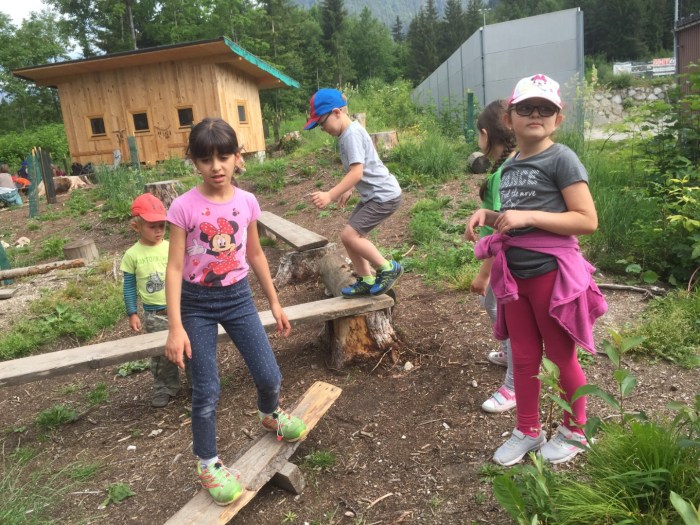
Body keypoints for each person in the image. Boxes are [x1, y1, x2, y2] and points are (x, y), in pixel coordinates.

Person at [465, 74, 608, 466]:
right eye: (525, 107)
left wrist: (527, 214)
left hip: (550, 274)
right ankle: (527, 429)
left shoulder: (561, 158)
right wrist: (488, 215)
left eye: (545, 108)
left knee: (562, 357)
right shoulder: (510, 164)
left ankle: (575, 431)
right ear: (509, 118)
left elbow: (586, 219)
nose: (535, 114)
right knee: (524, 357)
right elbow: (516, 221)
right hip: (516, 277)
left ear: (557, 119)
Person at [164, 117, 307, 506]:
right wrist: (175, 327)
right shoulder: (182, 207)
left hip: (239, 297)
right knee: (207, 389)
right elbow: (174, 267)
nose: (217, 167)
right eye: (206, 159)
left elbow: (255, 253)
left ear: (237, 157)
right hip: (196, 304)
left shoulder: (246, 202)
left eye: (224, 157)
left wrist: (275, 302)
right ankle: (208, 464)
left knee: (269, 373)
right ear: (193, 161)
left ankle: (269, 413)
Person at [303, 88, 404, 298]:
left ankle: (387, 268)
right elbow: (357, 168)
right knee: (351, 236)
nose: (322, 128)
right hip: (374, 196)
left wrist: (330, 194)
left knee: (350, 235)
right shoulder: (347, 134)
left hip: (383, 196)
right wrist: (348, 188)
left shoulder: (351, 135)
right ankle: (366, 279)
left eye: (322, 122)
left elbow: (357, 172)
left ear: (337, 112)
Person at [470, 100, 518, 414]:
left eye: (478, 135)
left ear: (486, 134)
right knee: (494, 307)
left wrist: (485, 273)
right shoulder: (508, 163)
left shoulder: (505, 171)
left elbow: (503, 225)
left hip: (505, 260)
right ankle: (506, 352)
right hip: (505, 259)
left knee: (506, 314)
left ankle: (515, 383)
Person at [120, 193, 185, 408]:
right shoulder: (132, 254)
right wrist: (132, 312)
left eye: (162, 226)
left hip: (182, 308)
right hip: (155, 314)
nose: (158, 231)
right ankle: (164, 387)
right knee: (161, 354)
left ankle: (198, 383)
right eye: (152, 226)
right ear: (136, 226)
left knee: (191, 347)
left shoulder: (172, 246)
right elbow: (129, 285)